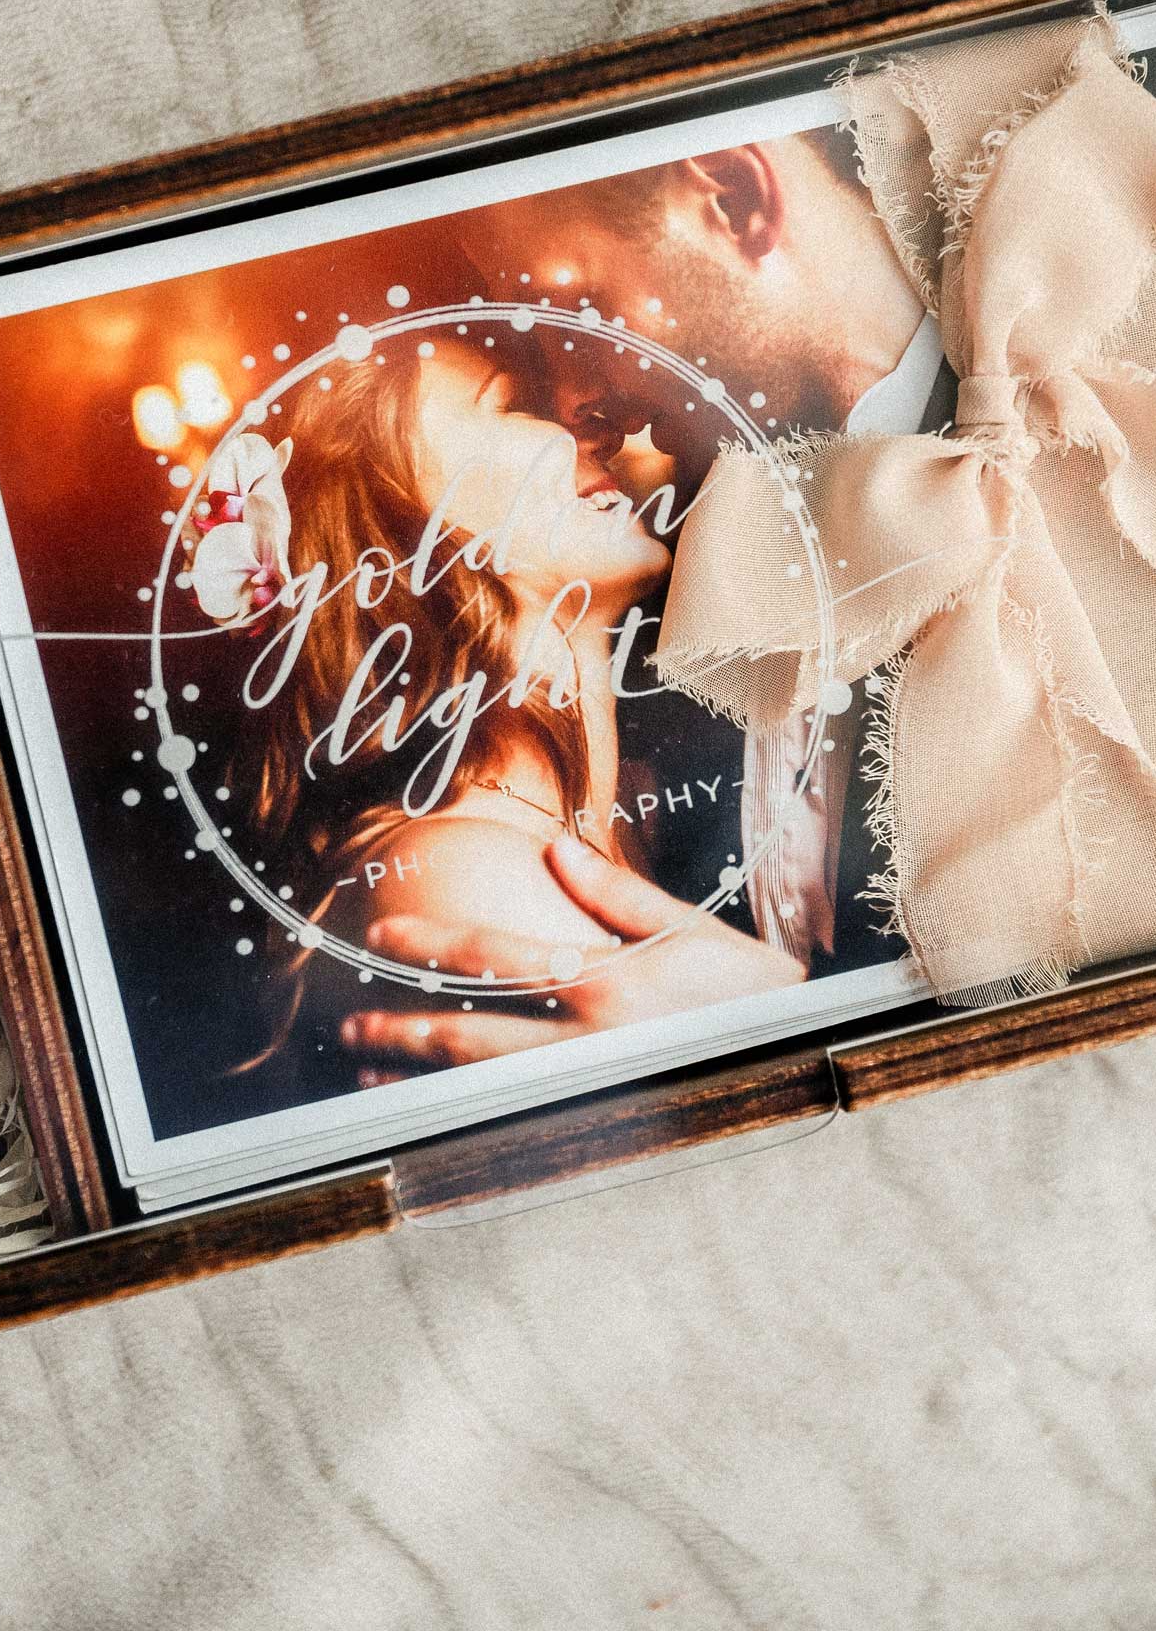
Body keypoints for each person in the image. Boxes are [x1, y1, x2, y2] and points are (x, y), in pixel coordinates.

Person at [337, 124, 947, 1073]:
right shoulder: (677, 610)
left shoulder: (1101, 477)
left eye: (581, 304)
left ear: (736, 203)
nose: (588, 402)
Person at [219, 329, 809, 1085]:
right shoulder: (452, 871)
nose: (594, 429)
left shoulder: (642, 809)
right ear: (401, 541)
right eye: (515, 403)